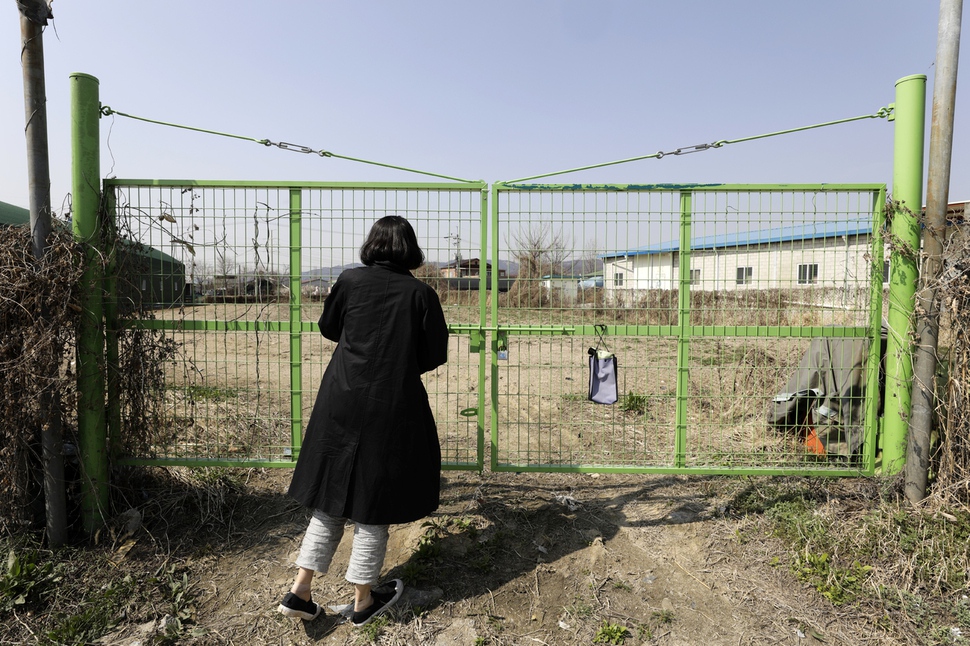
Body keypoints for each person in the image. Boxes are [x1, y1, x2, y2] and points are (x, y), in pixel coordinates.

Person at [277, 215, 449, 627]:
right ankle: (363, 600)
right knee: (373, 500)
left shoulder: (350, 281)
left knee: (330, 496)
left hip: (341, 397)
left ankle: (300, 591)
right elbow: (434, 354)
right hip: (393, 402)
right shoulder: (422, 295)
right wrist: (399, 361)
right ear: (411, 249)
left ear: (371, 245)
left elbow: (329, 327)